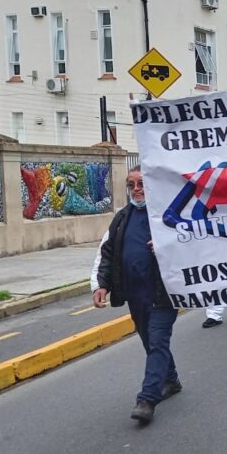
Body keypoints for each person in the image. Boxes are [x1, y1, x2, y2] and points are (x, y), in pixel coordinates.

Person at [91, 166, 181, 424]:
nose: (137, 189)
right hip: (135, 295)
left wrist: (168, 245)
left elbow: (190, 244)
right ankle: (171, 379)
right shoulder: (122, 218)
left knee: (156, 342)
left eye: (142, 183)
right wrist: (102, 285)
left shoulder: (168, 216)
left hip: (163, 294)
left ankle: (147, 399)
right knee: (149, 342)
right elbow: (108, 253)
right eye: (132, 184)